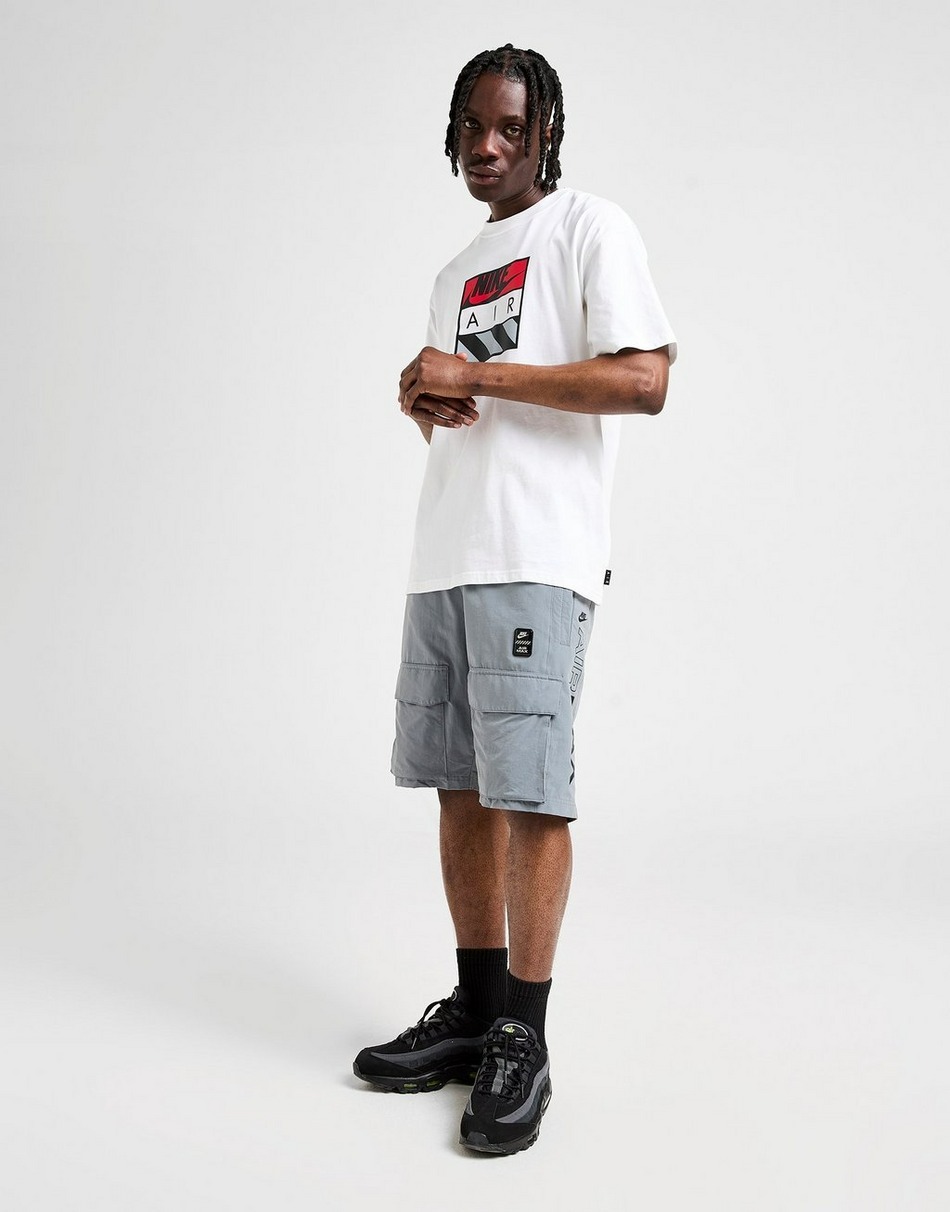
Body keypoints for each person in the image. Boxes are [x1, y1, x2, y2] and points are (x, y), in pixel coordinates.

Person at [353, 43, 677, 1155]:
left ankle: (524, 1040)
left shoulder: (590, 227)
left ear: (547, 134)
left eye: (510, 128)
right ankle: (475, 1010)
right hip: (442, 557)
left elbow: (644, 379)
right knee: (458, 785)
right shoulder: (455, 270)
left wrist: (477, 375)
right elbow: (472, 412)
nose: (486, 147)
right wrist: (426, 401)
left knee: (530, 794)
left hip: (536, 555)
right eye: (471, 127)